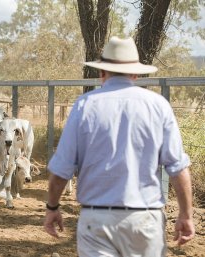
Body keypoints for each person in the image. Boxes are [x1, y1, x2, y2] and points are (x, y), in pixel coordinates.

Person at [43, 36, 195, 256]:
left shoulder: (85, 106)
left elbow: (62, 169)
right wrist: (186, 215)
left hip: (97, 220)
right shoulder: (158, 106)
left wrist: (53, 207)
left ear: (102, 73)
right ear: (135, 73)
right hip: (145, 219)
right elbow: (178, 168)